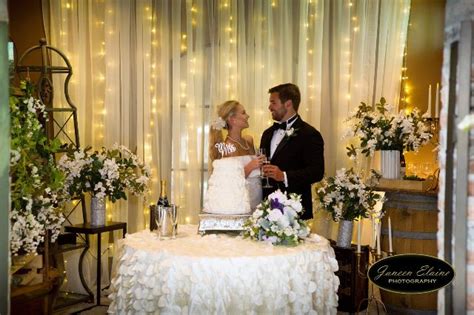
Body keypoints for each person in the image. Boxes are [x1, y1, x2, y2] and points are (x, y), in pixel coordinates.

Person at [260, 83, 324, 220]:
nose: (269, 107)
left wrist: (283, 176)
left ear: (288, 104)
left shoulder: (309, 134)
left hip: (294, 210)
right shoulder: (267, 133)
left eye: (273, 102)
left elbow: (317, 172)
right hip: (266, 208)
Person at [209, 100, 263, 210]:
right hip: (242, 201)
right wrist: (252, 165)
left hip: (259, 198)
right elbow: (230, 182)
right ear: (232, 119)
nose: (247, 116)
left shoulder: (249, 140)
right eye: (243, 113)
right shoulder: (228, 148)